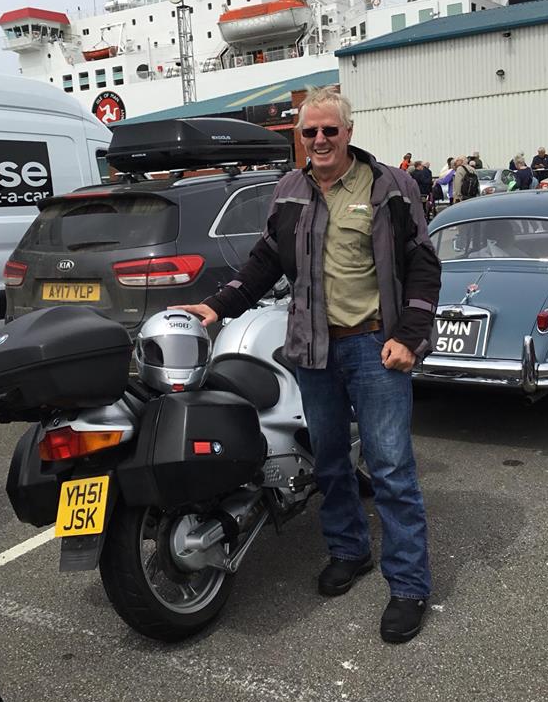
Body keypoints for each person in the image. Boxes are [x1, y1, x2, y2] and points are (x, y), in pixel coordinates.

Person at [173, 87, 441, 645]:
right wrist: (217, 306)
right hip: (313, 349)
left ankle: (410, 585)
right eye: (309, 132)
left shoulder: (391, 186)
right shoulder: (290, 188)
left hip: (374, 346)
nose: (319, 140)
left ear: (348, 131)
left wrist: (410, 335)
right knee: (332, 462)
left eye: (329, 131)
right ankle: (349, 551)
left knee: (391, 469)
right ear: (300, 137)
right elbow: (266, 260)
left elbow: (422, 265)